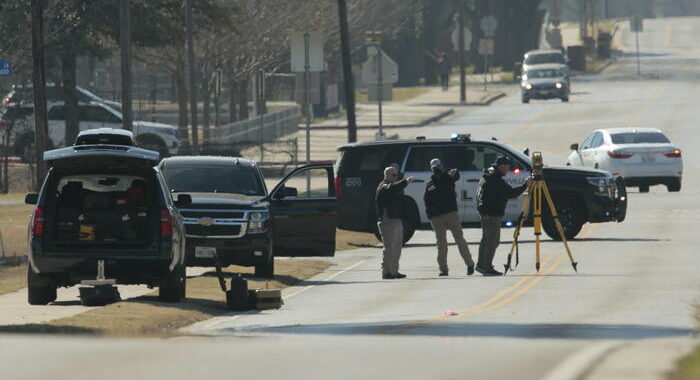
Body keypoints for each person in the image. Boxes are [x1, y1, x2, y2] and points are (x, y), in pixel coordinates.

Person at [476, 156, 532, 276]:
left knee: (486, 240)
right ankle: (487, 268)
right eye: (507, 167)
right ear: (501, 167)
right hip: (491, 214)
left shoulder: (488, 176)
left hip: (486, 213)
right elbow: (511, 193)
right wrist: (525, 185)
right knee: (492, 242)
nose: (508, 170)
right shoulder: (495, 179)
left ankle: (481, 265)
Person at [423, 158, 475, 277]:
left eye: (438, 166)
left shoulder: (448, 177)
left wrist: (453, 172)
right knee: (441, 244)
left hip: (451, 214)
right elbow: (426, 201)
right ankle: (443, 269)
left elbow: (456, 176)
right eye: (434, 167)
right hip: (437, 217)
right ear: (431, 169)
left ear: (442, 166)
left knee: (459, 240)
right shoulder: (430, 183)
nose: (437, 169)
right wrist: (430, 216)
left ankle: (469, 264)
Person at [376, 166, 414, 280]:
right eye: (393, 175)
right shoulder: (383, 186)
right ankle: (386, 272)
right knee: (389, 247)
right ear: (387, 175)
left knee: (397, 246)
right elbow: (390, 188)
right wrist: (405, 182)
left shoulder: (395, 186)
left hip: (396, 219)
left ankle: (394, 271)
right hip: (388, 220)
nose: (395, 177)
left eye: (396, 175)